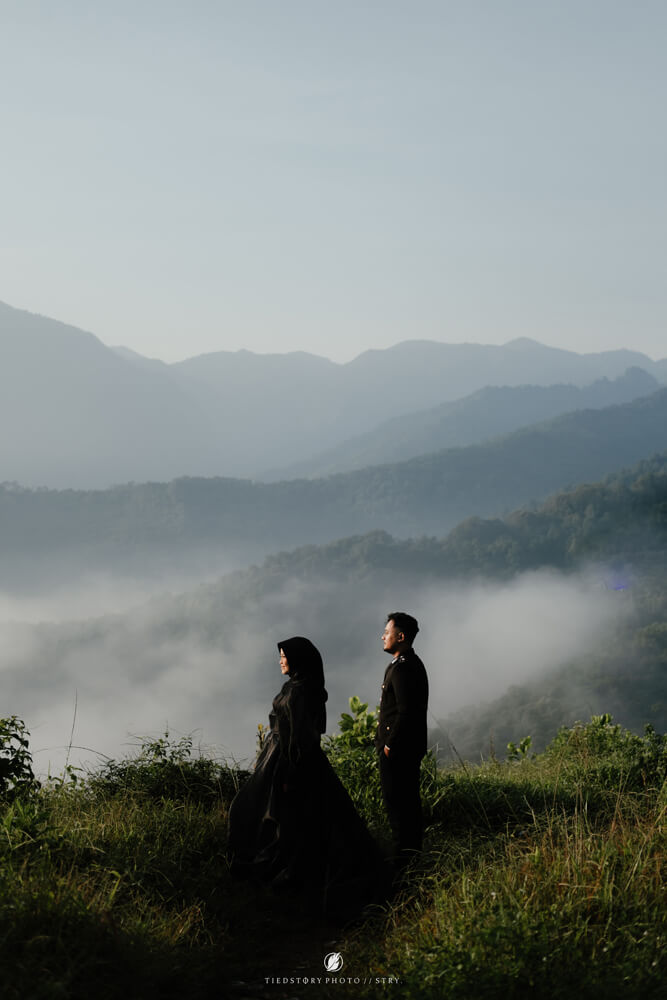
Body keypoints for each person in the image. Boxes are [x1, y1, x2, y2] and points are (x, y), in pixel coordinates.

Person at [228, 636, 384, 918]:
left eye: (284, 656)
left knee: (286, 817)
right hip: (279, 756)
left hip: (290, 760)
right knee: (281, 814)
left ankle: (292, 878)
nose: (280, 661)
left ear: (297, 660)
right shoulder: (296, 686)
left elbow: (301, 736)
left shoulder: (301, 691)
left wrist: (291, 770)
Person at [375, 612, 429, 870]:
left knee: (400, 809)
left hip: (399, 752)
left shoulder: (404, 667)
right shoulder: (402, 664)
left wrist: (389, 745)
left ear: (401, 636)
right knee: (405, 806)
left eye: (387, 632)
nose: (383, 636)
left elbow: (406, 712)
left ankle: (404, 866)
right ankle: (409, 860)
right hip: (401, 750)